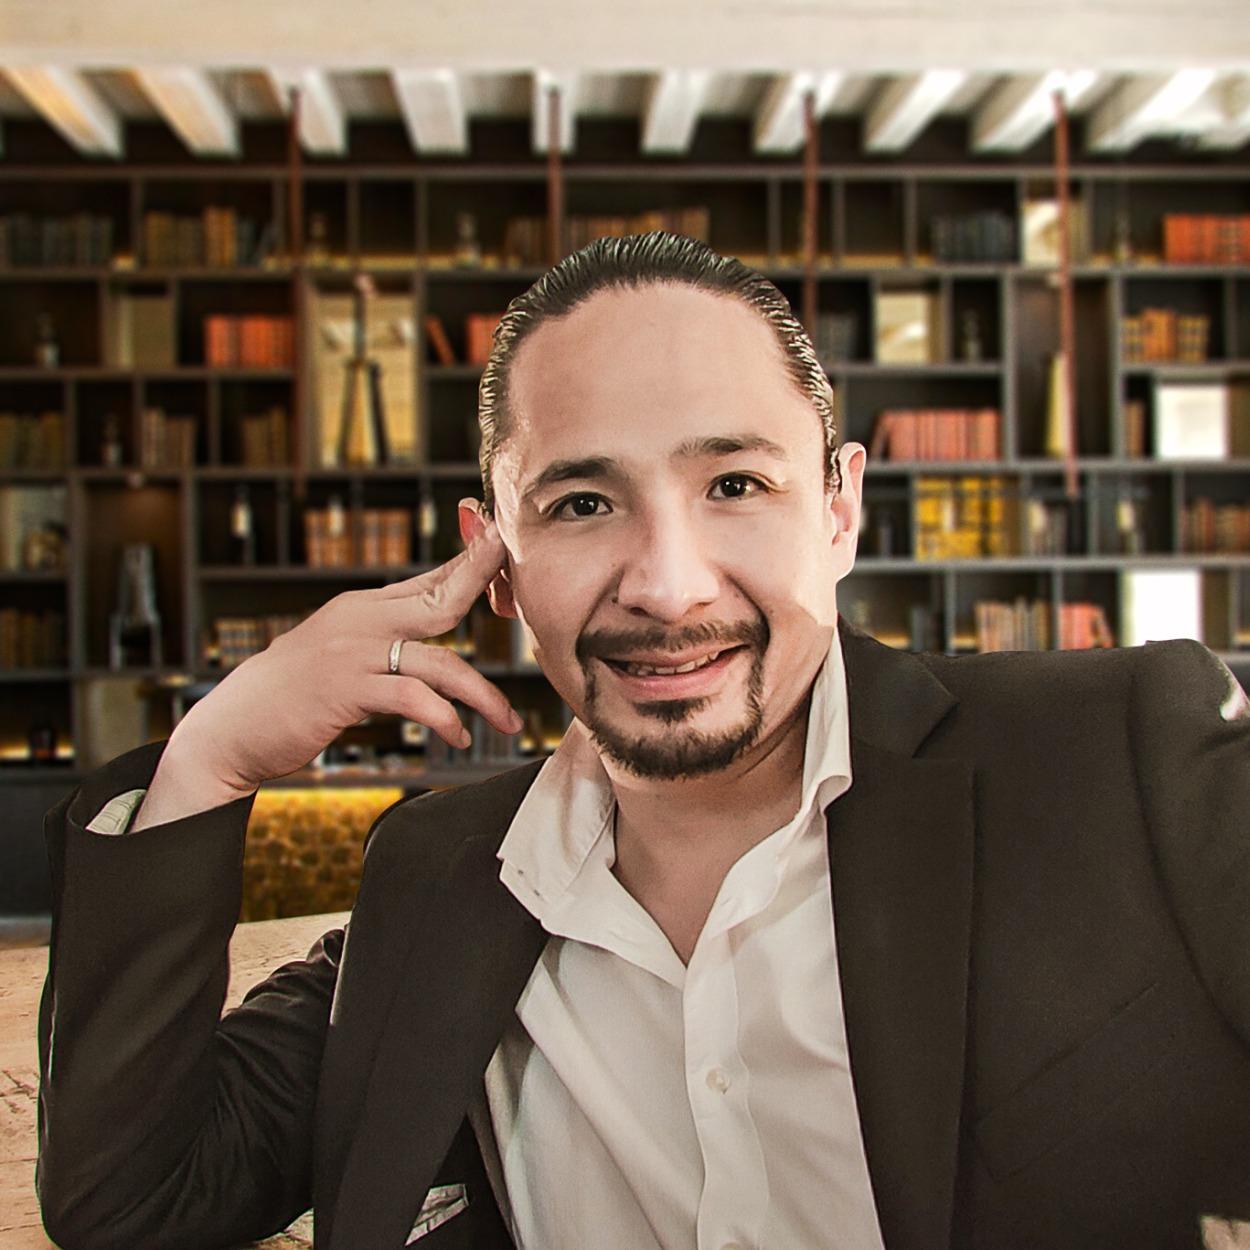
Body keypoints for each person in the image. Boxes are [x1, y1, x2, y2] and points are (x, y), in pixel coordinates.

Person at [35, 230, 1250, 1250]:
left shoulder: (1123, 758)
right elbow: (135, 1202)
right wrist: (211, 754)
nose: (667, 587)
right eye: (581, 503)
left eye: (734, 485)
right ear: (494, 560)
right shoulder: (435, 879)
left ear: (838, 507)